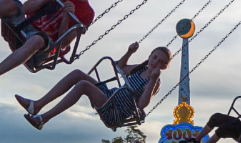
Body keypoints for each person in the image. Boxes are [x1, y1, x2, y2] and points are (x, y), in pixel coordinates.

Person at [16, 43, 171, 130]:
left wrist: (152, 80)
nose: (155, 62)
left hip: (115, 110)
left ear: (163, 67)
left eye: (160, 61)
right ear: (149, 56)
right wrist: (129, 51)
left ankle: (43, 119)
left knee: (84, 85)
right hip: (111, 96)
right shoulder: (141, 68)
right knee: (78, 74)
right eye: (154, 57)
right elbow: (120, 67)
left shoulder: (154, 82)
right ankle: (37, 105)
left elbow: (142, 104)